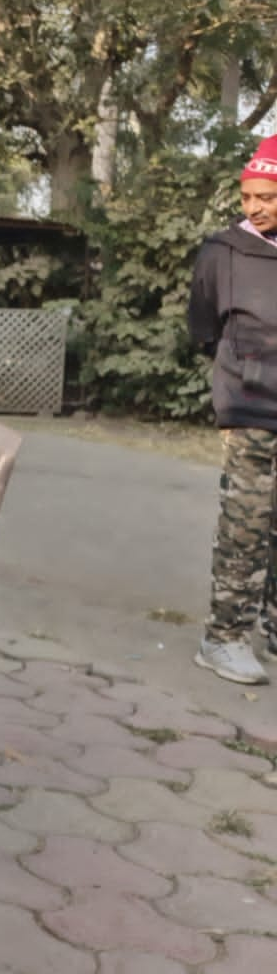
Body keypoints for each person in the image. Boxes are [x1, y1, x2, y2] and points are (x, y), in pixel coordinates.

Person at [187, 134, 277, 686]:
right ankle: (222, 639)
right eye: (248, 197)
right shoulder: (223, 251)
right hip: (250, 407)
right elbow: (202, 326)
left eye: (267, 196)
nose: (254, 206)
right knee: (247, 525)